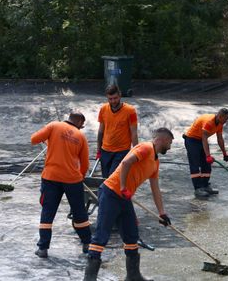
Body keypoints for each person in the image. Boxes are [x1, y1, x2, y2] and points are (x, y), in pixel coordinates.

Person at [84, 128, 174, 281]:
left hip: (124, 198)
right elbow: (126, 162)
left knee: (131, 235)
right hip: (111, 192)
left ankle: (133, 275)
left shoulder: (155, 162)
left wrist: (162, 213)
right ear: (163, 140)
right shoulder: (145, 147)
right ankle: (90, 277)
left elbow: (155, 188)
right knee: (102, 235)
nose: (170, 146)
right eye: (170, 143)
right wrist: (123, 187)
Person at [30, 111, 91, 258]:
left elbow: (33, 139)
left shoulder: (53, 126)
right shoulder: (81, 136)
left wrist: (49, 140)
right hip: (72, 180)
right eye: (81, 126)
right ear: (79, 123)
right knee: (79, 213)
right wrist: (80, 177)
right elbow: (85, 164)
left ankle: (43, 248)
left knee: (48, 212)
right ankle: (87, 244)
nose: (81, 128)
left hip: (51, 177)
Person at [183, 108, 228, 198]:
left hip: (201, 140)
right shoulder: (209, 122)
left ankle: (205, 186)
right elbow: (204, 138)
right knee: (195, 164)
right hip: (192, 140)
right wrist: (208, 155)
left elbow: (220, 138)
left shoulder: (220, 124)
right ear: (220, 116)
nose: (226, 121)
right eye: (225, 119)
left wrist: (225, 153)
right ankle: (198, 189)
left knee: (206, 164)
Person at [96, 84, 138, 178]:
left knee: (113, 178)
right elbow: (100, 131)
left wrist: (136, 153)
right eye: (110, 99)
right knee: (105, 180)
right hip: (105, 150)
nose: (113, 101)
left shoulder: (130, 111)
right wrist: (98, 150)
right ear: (107, 97)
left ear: (120, 95)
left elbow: (134, 134)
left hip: (122, 151)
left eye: (115, 98)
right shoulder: (103, 109)